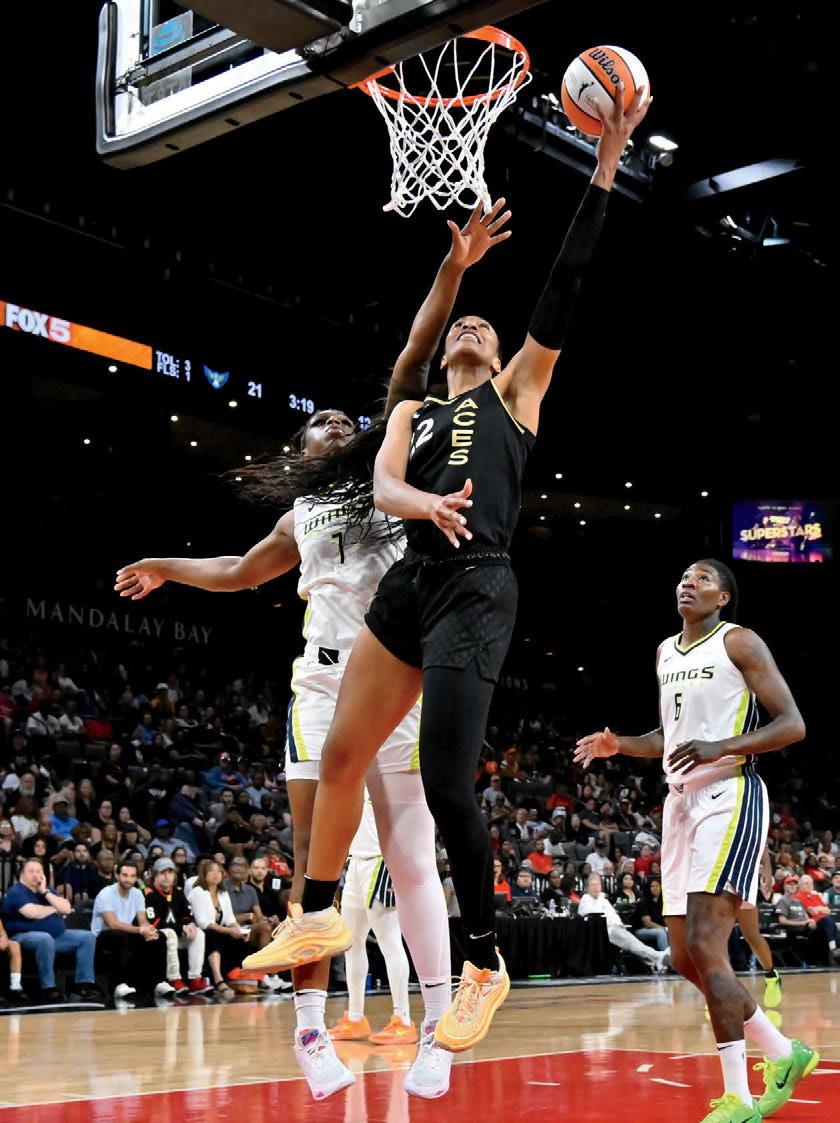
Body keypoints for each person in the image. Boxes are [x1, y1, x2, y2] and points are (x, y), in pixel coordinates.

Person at [246, 78, 653, 1057]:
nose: (472, 329)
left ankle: (484, 961)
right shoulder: (413, 413)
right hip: (412, 581)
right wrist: (452, 273)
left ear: (503, 353)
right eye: (464, 327)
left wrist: (604, 169)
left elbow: (563, 288)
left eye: (483, 326)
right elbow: (389, 458)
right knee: (340, 755)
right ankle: (316, 913)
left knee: (445, 785)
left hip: (479, 583)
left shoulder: (516, 394)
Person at [113, 202, 517, 1099]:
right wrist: (167, 567)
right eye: (323, 422)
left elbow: (414, 356)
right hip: (323, 686)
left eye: (346, 419)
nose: (338, 422)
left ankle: (437, 1028)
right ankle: (308, 1029)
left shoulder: (392, 470)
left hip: (397, 675)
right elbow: (235, 571)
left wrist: (452, 274)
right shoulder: (301, 513)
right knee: (314, 864)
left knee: (413, 859)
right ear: (303, 448)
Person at [575, 559, 817, 1123]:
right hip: (679, 803)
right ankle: (784, 1053)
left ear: (723, 598)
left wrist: (721, 746)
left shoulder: (740, 642)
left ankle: (739, 1098)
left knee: (709, 947)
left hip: (729, 795)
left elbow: (792, 724)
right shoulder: (666, 651)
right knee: (685, 956)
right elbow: (671, 737)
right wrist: (621, 744)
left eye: (703, 579)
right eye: (684, 577)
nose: (689, 583)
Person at [329, 791, 418, 1046]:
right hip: (355, 863)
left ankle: (402, 1020)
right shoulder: (351, 777)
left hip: (381, 863)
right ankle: (355, 1018)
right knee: (351, 943)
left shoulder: (386, 778)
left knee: (389, 942)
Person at [2, 858, 99, 1002]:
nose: (36, 875)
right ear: (22, 874)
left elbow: (67, 908)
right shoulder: (16, 892)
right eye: (31, 871)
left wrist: (45, 892)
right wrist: (54, 908)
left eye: (39, 871)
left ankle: (83, 985)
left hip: (57, 936)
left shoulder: (46, 890)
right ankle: (48, 988)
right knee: (44, 938)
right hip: (22, 936)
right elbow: (32, 912)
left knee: (87, 937)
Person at [92, 859, 168, 999]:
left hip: (126, 933)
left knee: (159, 936)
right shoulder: (105, 894)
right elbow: (113, 924)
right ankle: (118, 985)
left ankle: (158, 983)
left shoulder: (137, 893)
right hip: (102, 936)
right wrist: (140, 930)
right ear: (117, 875)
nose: (129, 879)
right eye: (125, 875)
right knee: (119, 936)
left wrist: (148, 930)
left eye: (133, 876)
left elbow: (142, 920)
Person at [143, 857, 212, 995]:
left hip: (177, 933)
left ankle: (195, 979)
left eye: (170, 872)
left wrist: (190, 924)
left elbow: (187, 913)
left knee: (199, 934)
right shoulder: (148, 893)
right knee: (170, 933)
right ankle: (174, 979)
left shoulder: (178, 892)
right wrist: (181, 928)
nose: (167, 876)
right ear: (155, 875)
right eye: (163, 873)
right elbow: (155, 922)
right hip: (157, 937)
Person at [578, 873, 670, 974]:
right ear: (587, 888)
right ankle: (659, 956)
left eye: (598, 884)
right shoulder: (585, 900)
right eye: (593, 885)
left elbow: (614, 916)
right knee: (632, 944)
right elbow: (591, 918)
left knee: (633, 944)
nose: (596, 887)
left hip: (614, 930)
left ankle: (657, 960)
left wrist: (620, 925)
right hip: (600, 933)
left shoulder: (604, 900)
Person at [187, 859, 251, 997]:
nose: (215, 874)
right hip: (200, 932)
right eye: (211, 871)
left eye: (219, 871)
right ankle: (218, 979)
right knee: (213, 935)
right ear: (204, 874)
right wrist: (230, 931)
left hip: (220, 930)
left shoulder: (222, 892)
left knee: (242, 938)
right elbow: (204, 923)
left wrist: (239, 930)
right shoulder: (198, 891)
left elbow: (230, 919)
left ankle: (239, 976)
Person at [633, 878, 669, 953]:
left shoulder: (662, 902)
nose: (655, 888)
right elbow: (647, 923)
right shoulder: (644, 902)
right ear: (648, 888)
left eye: (657, 886)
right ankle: (666, 956)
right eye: (652, 886)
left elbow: (665, 919)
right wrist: (664, 928)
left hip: (659, 928)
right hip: (640, 930)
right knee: (661, 932)